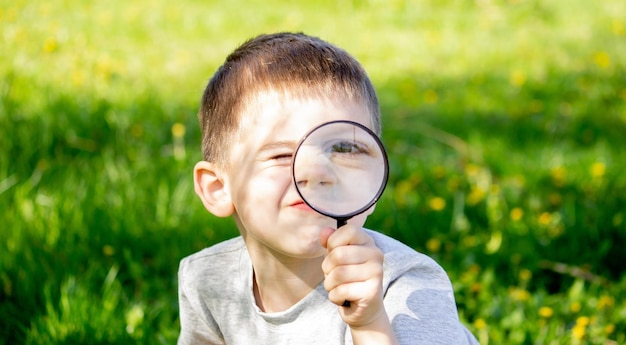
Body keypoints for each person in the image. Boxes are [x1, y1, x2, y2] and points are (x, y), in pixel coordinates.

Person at [178, 32, 479, 345]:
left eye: (345, 148)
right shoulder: (206, 280)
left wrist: (370, 323)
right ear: (218, 189)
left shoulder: (408, 288)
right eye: (282, 155)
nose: (317, 172)